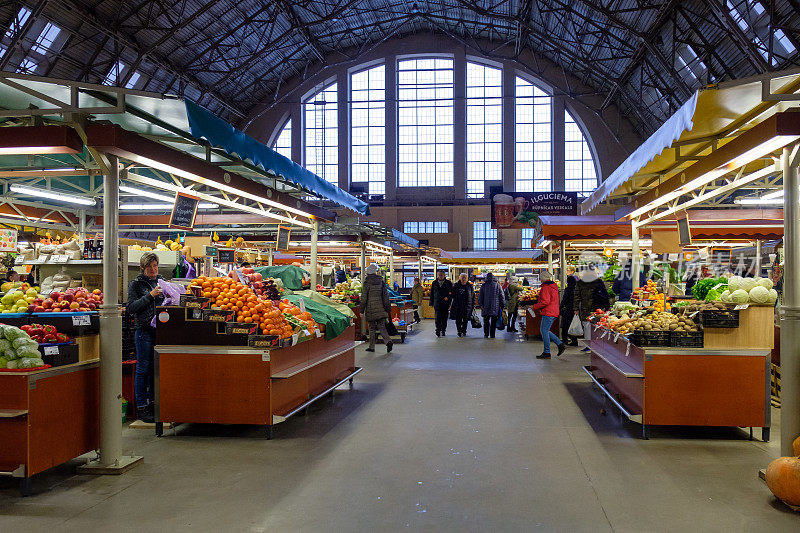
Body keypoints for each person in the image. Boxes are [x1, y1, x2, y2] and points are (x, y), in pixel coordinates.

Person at [127, 252, 165, 423]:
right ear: (142, 268)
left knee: (155, 370)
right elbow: (131, 307)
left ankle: (153, 404)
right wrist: (150, 296)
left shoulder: (162, 282)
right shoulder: (136, 285)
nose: (153, 269)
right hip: (144, 332)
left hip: (161, 332)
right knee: (143, 369)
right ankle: (142, 407)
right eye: (149, 266)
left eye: (155, 266)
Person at [573, 267, 609, 351]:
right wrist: (607, 307)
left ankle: (589, 346)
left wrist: (576, 308)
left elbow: (576, 297)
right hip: (597, 308)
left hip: (586, 308)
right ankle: (596, 346)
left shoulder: (580, 283)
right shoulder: (598, 282)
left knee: (587, 327)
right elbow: (605, 295)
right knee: (598, 327)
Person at [532, 271, 566, 359]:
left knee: (544, 331)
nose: (539, 279)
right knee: (545, 331)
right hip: (553, 311)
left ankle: (547, 352)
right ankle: (559, 344)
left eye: (540, 277)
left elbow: (545, 302)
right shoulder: (553, 286)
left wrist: (534, 307)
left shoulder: (546, 287)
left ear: (543, 278)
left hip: (548, 312)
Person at [360, 263, 393, 353]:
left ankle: (372, 346)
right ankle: (388, 341)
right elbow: (386, 296)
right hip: (381, 308)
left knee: (371, 328)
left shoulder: (367, 283)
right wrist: (387, 308)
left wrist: (361, 310)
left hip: (371, 309)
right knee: (382, 327)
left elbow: (364, 298)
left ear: (368, 273)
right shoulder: (381, 282)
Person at [478, 272, 505, 338]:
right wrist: (503, 305)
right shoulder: (497, 285)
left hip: (485, 306)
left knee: (486, 321)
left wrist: (480, 304)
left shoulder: (483, 285)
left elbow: (480, 296)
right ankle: (492, 334)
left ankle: (486, 334)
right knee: (493, 321)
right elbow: (501, 296)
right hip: (495, 306)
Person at [430, 270, 453, 337]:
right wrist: (431, 302)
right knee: (437, 317)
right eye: (439, 275)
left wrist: (448, 298)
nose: (440, 276)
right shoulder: (434, 283)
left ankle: (443, 330)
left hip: (445, 303)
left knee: (444, 318)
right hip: (437, 303)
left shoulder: (448, 283)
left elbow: (451, 293)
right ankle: (438, 329)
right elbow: (432, 293)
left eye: (441, 275)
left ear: (444, 275)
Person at [559, 274, 579, 346]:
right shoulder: (577, 288)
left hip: (568, 309)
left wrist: (560, 307)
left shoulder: (568, 289)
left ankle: (565, 341)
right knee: (572, 325)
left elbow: (564, 299)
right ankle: (574, 341)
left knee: (564, 326)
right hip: (575, 310)